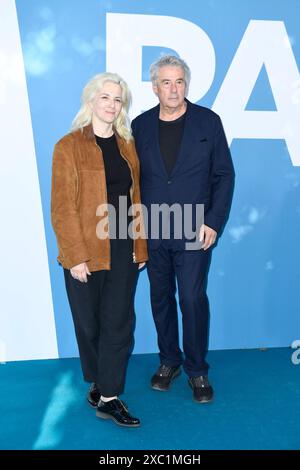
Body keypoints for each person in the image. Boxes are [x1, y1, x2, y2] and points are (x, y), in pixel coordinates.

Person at [132, 55, 234, 403]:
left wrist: (213, 221)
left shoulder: (208, 122)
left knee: (191, 298)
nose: (173, 89)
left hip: (195, 228)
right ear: (154, 86)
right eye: (166, 82)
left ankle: (197, 369)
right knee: (159, 298)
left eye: (179, 82)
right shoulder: (140, 125)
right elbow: (131, 181)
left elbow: (224, 175)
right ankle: (168, 361)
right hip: (154, 228)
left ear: (186, 85)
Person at [51, 72, 148, 427]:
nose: (111, 105)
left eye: (117, 99)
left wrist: (141, 246)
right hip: (86, 250)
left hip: (123, 247)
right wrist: (74, 255)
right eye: (105, 97)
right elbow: (62, 207)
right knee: (89, 324)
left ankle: (110, 396)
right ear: (91, 100)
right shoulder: (68, 146)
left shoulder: (127, 145)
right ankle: (98, 380)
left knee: (119, 323)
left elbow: (136, 199)